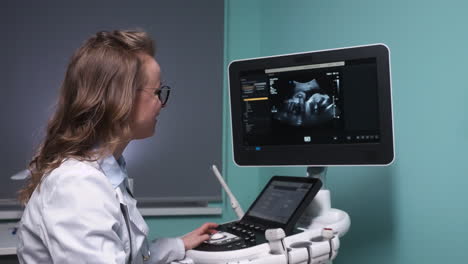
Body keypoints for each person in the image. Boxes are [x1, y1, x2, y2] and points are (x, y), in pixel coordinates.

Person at [17, 30, 218, 264]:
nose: (161, 104)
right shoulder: (76, 184)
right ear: (120, 98)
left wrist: (178, 245)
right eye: (156, 92)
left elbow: (126, 256)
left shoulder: (105, 171)